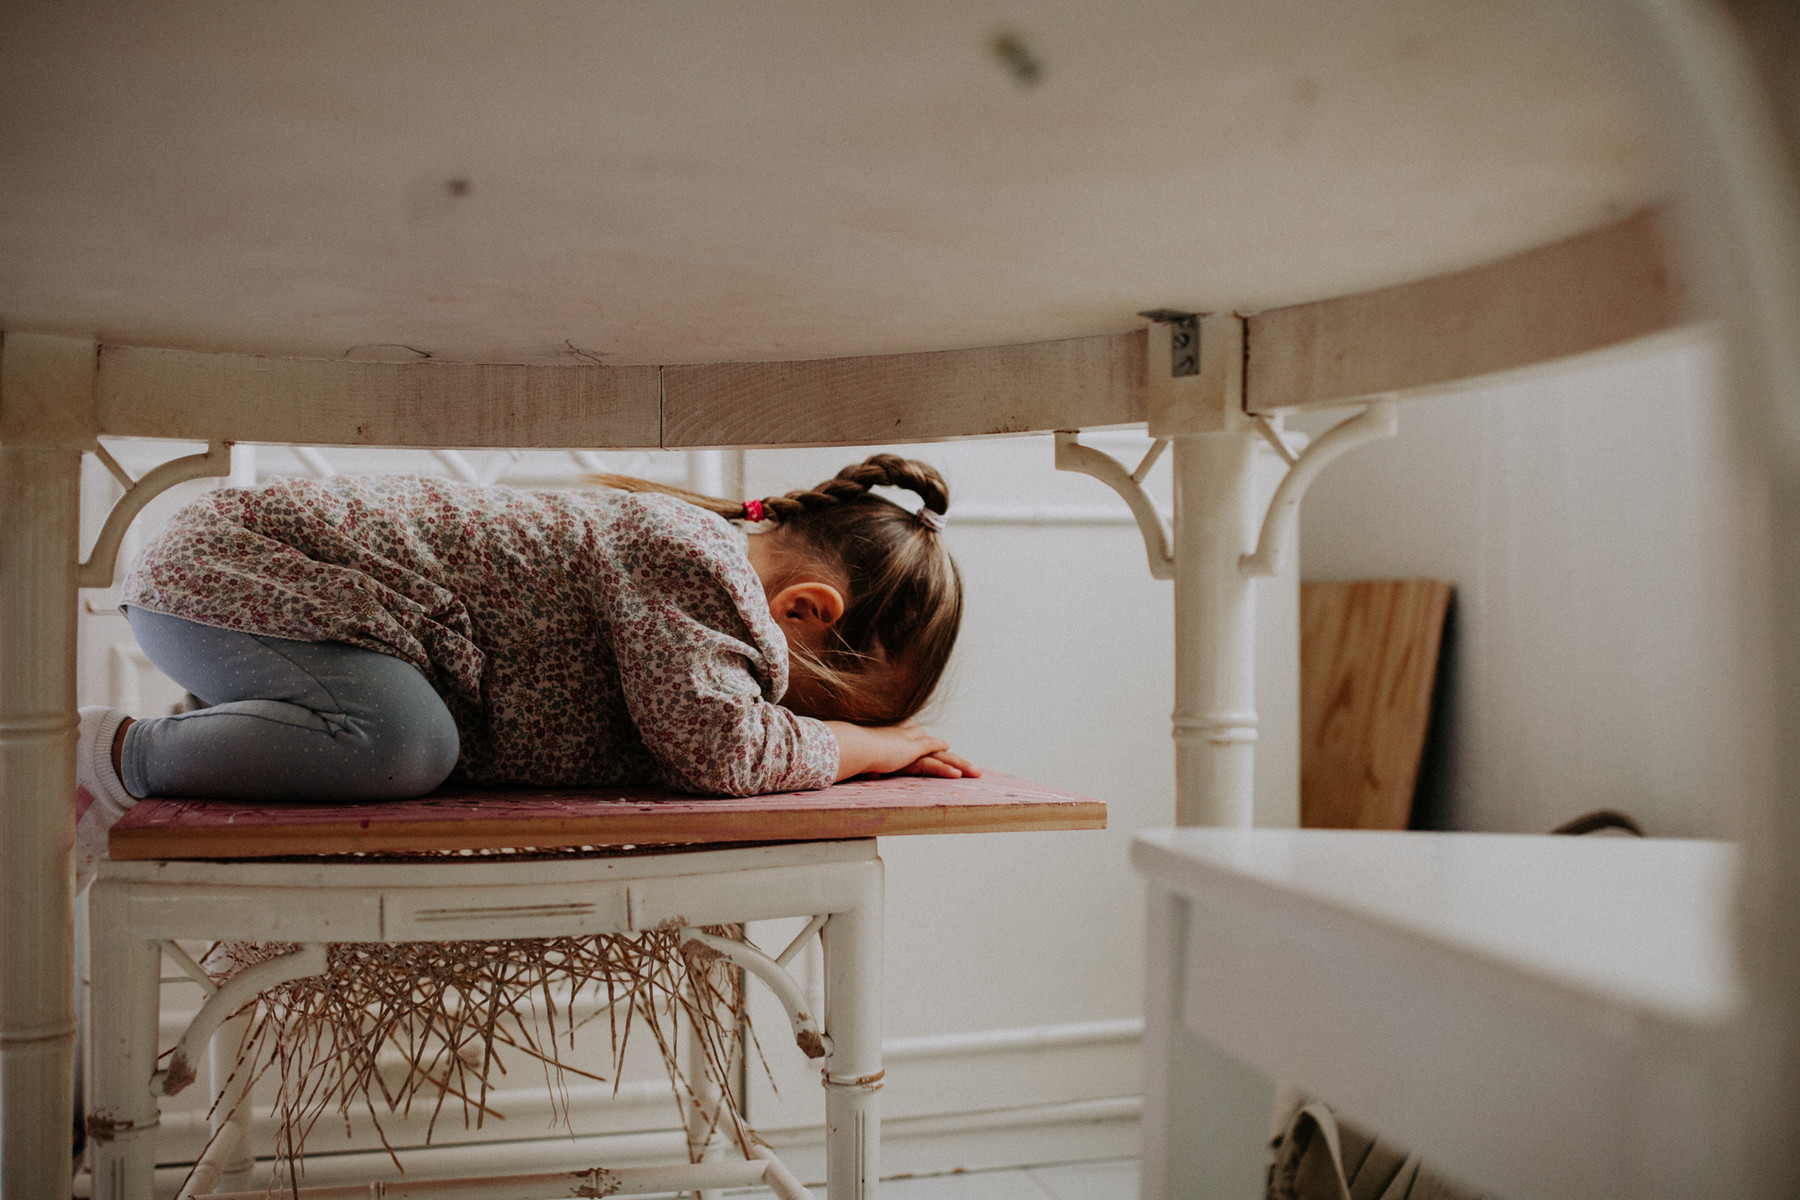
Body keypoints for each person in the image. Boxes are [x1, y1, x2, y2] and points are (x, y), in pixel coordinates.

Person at [73, 454, 976, 891]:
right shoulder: (699, 563)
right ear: (804, 614)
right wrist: (855, 746)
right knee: (404, 744)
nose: (783, 715)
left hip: (284, 623)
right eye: (800, 700)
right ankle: (116, 758)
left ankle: (211, 739)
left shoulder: (698, 594)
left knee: (406, 736)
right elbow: (719, 748)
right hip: (239, 568)